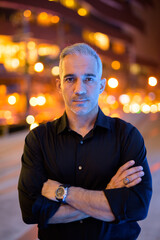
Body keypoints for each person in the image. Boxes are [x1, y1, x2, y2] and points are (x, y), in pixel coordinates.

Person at [18, 43, 152, 240]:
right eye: (70, 79)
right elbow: (31, 212)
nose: (79, 89)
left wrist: (62, 193)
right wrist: (108, 195)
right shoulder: (38, 140)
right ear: (59, 85)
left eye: (88, 79)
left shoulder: (127, 136)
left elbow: (137, 207)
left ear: (101, 85)